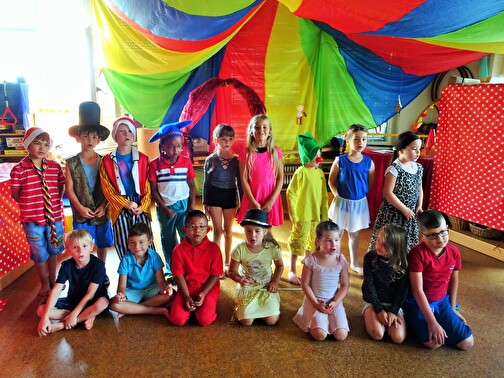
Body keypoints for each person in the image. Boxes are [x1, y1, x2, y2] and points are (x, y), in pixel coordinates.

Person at [403, 210, 473, 350]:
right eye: (433, 235)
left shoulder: (454, 252)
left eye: (443, 232)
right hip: (418, 303)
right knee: (434, 343)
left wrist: (452, 309)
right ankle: (410, 319)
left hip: (441, 301)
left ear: (447, 228)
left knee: (466, 343)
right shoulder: (417, 254)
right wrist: (432, 322)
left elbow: (454, 282)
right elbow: (417, 290)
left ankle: (438, 319)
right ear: (421, 236)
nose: (440, 239)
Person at [10, 127, 65, 297]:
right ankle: (43, 283)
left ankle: (53, 279)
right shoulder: (19, 170)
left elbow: (60, 185)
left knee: (54, 249)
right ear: (27, 144)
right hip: (32, 221)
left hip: (53, 217)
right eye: (37, 143)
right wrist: (31, 206)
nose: (42, 148)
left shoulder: (55, 167)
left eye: (46, 144)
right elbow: (16, 194)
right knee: (39, 253)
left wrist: (55, 204)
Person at [36, 229, 109, 336]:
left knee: (102, 303)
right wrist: (45, 317)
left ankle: (63, 324)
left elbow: (90, 294)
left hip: (93, 300)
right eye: (75, 248)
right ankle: (87, 316)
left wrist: (74, 314)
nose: (81, 251)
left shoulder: (98, 265)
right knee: (41, 310)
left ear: (91, 247)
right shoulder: (66, 265)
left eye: (84, 246)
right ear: (68, 251)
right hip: (73, 300)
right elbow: (56, 289)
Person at [100, 116, 154, 260]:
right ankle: (129, 275)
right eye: (122, 131)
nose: (126, 134)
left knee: (144, 241)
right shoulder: (106, 161)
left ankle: (149, 275)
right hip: (119, 206)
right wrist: (126, 203)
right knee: (123, 240)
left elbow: (148, 186)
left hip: (140, 204)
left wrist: (143, 206)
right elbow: (107, 189)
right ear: (115, 136)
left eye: (129, 131)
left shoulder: (143, 159)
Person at [66, 101, 114, 262]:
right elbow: (70, 189)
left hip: (101, 211)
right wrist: (79, 208)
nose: (90, 140)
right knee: (81, 244)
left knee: (102, 242)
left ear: (99, 139)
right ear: (78, 137)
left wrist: (104, 206)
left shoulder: (105, 161)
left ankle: (101, 269)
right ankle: (83, 271)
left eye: (94, 136)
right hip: (81, 214)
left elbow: (110, 187)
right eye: (86, 136)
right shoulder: (71, 163)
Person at [149, 120, 196, 278]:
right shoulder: (155, 165)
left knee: (186, 237)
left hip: (183, 205)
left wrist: (191, 207)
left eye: (178, 146)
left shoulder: (186, 162)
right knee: (168, 239)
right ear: (162, 147)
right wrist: (165, 209)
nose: (175, 150)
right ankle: (171, 270)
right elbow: (154, 191)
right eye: (170, 146)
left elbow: (191, 186)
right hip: (165, 208)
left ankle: (187, 267)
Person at [328, 124, 375, 275]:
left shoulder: (369, 162)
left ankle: (354, 263)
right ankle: (334, 262)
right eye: (356, 139)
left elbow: (370, 182)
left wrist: (359, 197)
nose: (360, 142)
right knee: (337, 234)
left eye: (363, 139)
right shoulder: (340, 160)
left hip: (358, 204)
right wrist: (338, 198)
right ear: (347, 141)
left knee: (354, 235)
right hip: (341, 203)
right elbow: (331, 182)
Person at [293, 221, 350, 341]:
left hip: (334, 301)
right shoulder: (311, 260)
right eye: (328, 240)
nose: (333, 244)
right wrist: (316, 304)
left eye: (336, 240)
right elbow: (305, 284)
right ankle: (312, 316)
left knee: (341, 335)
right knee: (320, 335)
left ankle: (330, 319)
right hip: (315, 299)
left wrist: (335, 301)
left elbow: (345, 285)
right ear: (318, 242)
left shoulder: (340, 260)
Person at [368, 131, 423, 252]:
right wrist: (404, 209)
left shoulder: (418, 168)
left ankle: (403, 265)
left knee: (406, 243)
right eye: (414, 149)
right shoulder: (394, 168)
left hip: (410, 214)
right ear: (401, 150)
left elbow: (419, 187)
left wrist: (419, 205)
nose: (418, 152)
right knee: (390, 244)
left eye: (419, 148)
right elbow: (388, 193)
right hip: (394, 214)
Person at [228, 209, 284, 326]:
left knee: (271, 320)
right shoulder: (239, 249)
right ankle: (243, 304)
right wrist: (240, 279)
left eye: (257, 231)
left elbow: (280, 266)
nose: (252, 235)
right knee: (246, 321)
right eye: (248, 230)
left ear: (265, 231)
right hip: (248, 287)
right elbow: (232, 271)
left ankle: (271, 304)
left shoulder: (272, 248)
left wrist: (275, 281)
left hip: (266, 286)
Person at [168, 210, 223, 327]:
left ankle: (202, 307)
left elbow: (215, 275)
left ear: (208, 230)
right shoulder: (178, 250)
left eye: (202, 226)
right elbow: (178, 276)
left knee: (205, 320)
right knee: (177, 320)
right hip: (186, 288)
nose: (197, 230)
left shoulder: (214, 249)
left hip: (207, 288)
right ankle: (191, 307)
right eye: (192, 226)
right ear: (185, 230)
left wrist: (204, 293)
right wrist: (186, 296)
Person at [286, 132, 328, 285]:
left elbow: (324, 195)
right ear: (306, 157)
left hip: (316, 215)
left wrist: (324, 214)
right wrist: (294, 215)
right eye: (315, 156)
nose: (319, 159)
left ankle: (309, 269)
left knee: (312, 243)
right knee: (298, 241)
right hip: (303, 215)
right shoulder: (300, 173)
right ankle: (292, 269)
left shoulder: (320, 173)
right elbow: (291, 194)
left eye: (319, 155)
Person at [110, 222, 173, 318]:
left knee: (169, 295)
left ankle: (132, 309)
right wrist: (121, 295)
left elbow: (161, 281)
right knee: (114, 304)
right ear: (128, 242)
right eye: (132, 242)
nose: (137, 247)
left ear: (150, 242)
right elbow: (122, 285)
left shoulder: (154, 257)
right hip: (132, 291)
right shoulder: (126, 259)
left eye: (141, 242)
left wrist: (166, 288)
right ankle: (151, 310)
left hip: (151, 288)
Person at [202, 124, 240, 275]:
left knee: (228, 231)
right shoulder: (210, 160)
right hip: (214, 196)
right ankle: (216, 263)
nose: (227, 142)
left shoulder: (236, 161)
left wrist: (240, 203)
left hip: (230, 196)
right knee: (217, 231)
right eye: (223, 139)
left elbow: (240, 184)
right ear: (216, 140)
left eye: (230, 139)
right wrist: (205, 205)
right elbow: (205, 183)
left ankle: (227, 262)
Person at [362, 224, 409, 344]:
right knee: (378, 334)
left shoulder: (404, 262)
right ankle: (371, 317)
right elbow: (369, 285)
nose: (378, 245)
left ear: (396, 247)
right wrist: (379, 310)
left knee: (398, 338)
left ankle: (386, 321)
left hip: (393, 304)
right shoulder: (370, 257)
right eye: (378, 240)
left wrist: (393, 311)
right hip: (373, 302)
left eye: (385, 244)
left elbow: (402, 290)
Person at [236, 114, 284, 226]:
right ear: (251, 131)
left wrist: (271, 200)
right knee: (252, 228)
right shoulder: (245, 153)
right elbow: (244, 180)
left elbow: (280, 178)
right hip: (252, 197)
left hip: (270, 197)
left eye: (264, 127)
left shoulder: (275, 152)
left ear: (270, 131)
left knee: (266, 231)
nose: (261, 130)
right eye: (257, 127)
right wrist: (252, 202)